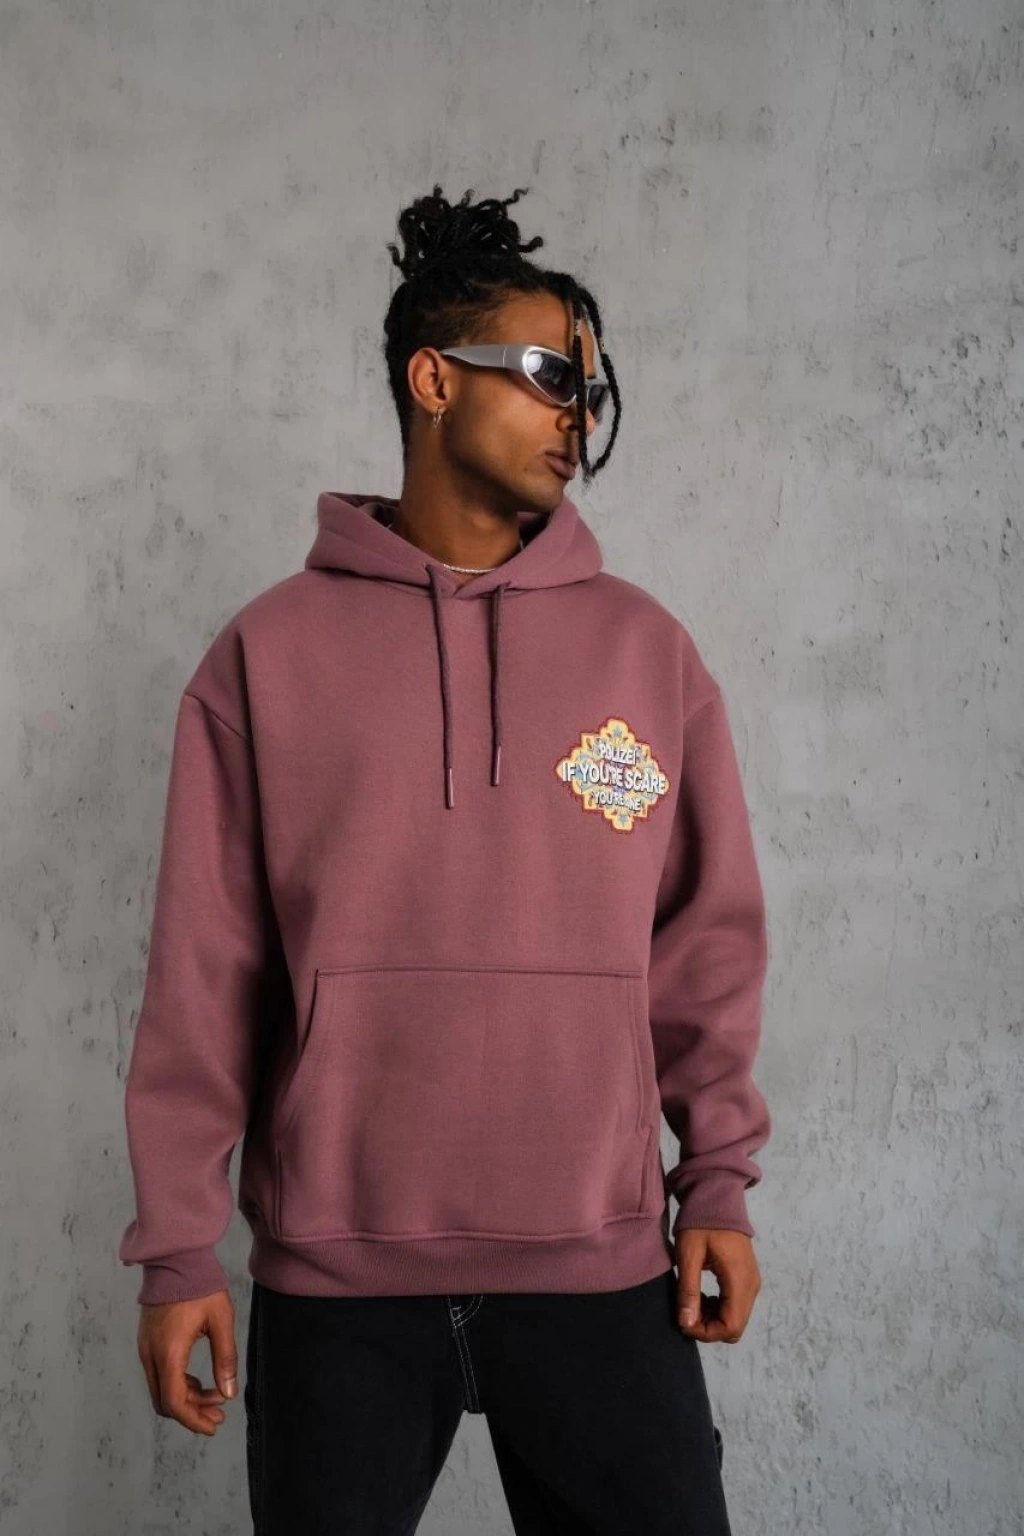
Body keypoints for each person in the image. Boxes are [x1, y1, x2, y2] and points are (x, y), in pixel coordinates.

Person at [118, 183, 771, 1535]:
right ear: (434, 380)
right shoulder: (266, 657)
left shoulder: (644, 655)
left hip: (601, 1272)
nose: (577, 415)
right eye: (548, 377)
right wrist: (178, 1250)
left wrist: (717, 1180)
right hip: (338, 1287)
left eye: (590, 387)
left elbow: (703, 942)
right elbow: (204, 975)